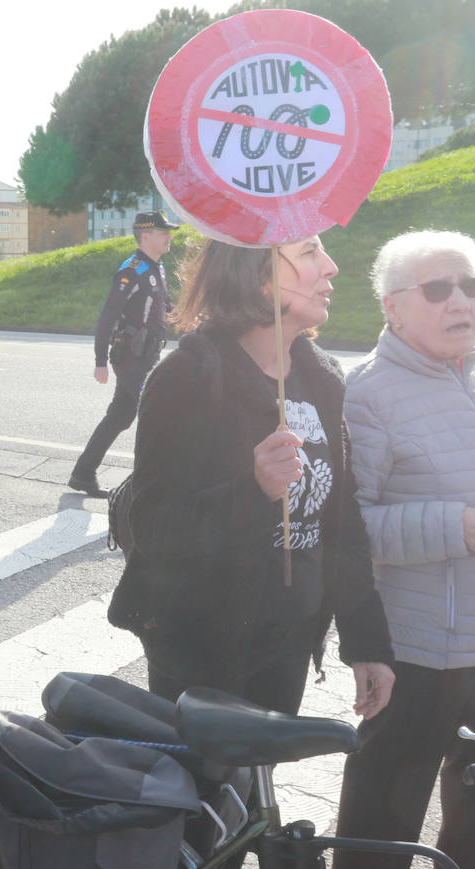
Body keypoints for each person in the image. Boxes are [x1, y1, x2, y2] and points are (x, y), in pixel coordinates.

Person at [108, 236, 396, 719]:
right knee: (203, 791)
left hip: (289, 642)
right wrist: (255, 490)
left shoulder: (322, 376)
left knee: (259, 787)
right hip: (204, 649)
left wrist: (366, 642)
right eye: (309, 253)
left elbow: (342, 524)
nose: (331, 266)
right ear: (260, 275)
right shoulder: (189, 375)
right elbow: (155, 527)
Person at [329, 231, 475, 869]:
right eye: (438, 288)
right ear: (393, 306)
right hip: (418, 650)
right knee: (380, 824)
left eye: (471, 284)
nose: (460, 300)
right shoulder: (367, 395)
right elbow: (347, 528)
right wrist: (451, 525)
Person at [69, 210, 179, 498]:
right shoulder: (131, 270)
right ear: (145, 236)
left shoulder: (157, 267)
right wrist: (100, 361)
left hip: (147, 356)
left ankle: (83, 474)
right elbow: (107, 315)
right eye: (163, 232)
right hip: (131, 358)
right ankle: (152, 484)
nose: (169, 236)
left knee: (120, 417)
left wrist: (193, 322)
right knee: (157, 411)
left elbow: (166, 305)